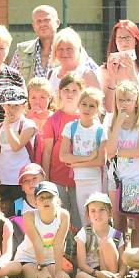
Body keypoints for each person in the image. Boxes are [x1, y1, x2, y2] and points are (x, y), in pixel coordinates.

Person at [105, 80, 139, 249]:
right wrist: (117, 123)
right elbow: (108, 151)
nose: (123, 104)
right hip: (116, 180)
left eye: (128, 100)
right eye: (120, 100)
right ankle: (121, 265)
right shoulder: (110, 121)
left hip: (137, 180)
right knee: (118, 225)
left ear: (136, 102)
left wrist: (116, 152)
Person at [10, 5, 98, 83]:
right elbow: (10, 79)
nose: (42, 24)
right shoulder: (22, 51)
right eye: (38, 21)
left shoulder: (71, 50)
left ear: (57, 23)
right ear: (33, 26)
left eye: (47, 20)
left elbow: (95, 73)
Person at [59, 87, 107, 225]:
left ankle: (98, 245)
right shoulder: (71, 127)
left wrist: (76, 163)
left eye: (92, 106)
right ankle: (85, 245)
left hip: (95, 180)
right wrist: (87, 157)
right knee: (83, 215)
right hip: (79, 179)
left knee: (97, 216)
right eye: (84, 104)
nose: (87, 108)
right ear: (78, 105)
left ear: (97, 109)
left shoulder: (100, 130)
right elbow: (63, 156)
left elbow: (100, 160)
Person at [41, 74, 83, 231]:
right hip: (58, 177)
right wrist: (46, 178)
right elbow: (47, 152)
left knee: (79, 218)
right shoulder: (54, 119)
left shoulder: (86, 117)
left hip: (80, 178)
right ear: (59, 92)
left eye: (74, 90)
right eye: (66, 90)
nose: (70, 94)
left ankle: (79, 251)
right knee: (59, 218)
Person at [10, 181, 72, 278]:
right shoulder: (29, 216)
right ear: (36, 203)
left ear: (57, 200)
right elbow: (37, 243)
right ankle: (19, 273)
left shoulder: (64, 215)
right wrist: (42, 268)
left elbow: (58, 244)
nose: (45, 200)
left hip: (49, 260)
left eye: (49, 197)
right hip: (27, 258)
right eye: (41, 198)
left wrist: (58, 271)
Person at [0, 85, 36, 216]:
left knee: (19, 214)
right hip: (2, 179)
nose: (11, 109)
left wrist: (8, 126)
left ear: (24, 106)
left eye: (16, 105)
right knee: (2, 214)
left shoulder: (28, 125)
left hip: (20, 181)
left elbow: (16, 146)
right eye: (8, 105)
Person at [74, 192, 128, 278]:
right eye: (93, 211)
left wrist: (120, 274)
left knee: (106, 241)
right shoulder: (84, 232)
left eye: (102, 210)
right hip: (92, 272)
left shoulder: (117, 235)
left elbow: (123, 262)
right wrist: (97, 273)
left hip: (111, 272)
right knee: (80, 276)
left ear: (110, 213)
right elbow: (82, 264)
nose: (97, 214)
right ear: (88, 215)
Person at [101, 20, 139, 112]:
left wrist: (133, 75)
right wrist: (112, 78)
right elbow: (108, 108)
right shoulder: (105, 70)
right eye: (119, 38)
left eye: (127, 38)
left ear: (135, 40)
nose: (123, 42)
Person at [46, 28, 100, 92]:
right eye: (60, 49)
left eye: (69, 49)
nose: (64, 53)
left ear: (78, 50)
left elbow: (96, 101)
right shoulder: (51, 74)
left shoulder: (87, 75)